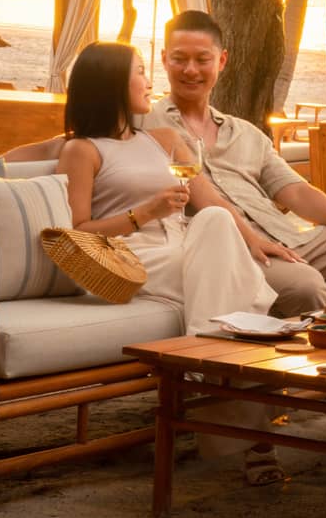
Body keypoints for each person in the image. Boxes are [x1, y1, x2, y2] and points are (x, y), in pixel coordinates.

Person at [10, 9, 326, 313]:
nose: (190, 70)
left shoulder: (244, 131)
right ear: (165, 61)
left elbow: (293, 190)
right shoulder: (146, 125)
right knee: (309, 287)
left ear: (222, 62)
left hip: (293, 236)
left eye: (202, 60)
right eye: (178, 59)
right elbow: (77, 142)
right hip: (230, 245)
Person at [55, 41, 286, 485]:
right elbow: (77, 232)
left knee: (217, 220)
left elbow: (211, 200)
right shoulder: (82, 150)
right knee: (241, 299)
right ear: (111, 84)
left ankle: (204, 349)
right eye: (140, 70)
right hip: (133, 255)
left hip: (189, 247)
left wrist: (256, 239)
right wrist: (145, 212)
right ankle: (256, 441)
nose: (150, 80)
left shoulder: (163, 139)